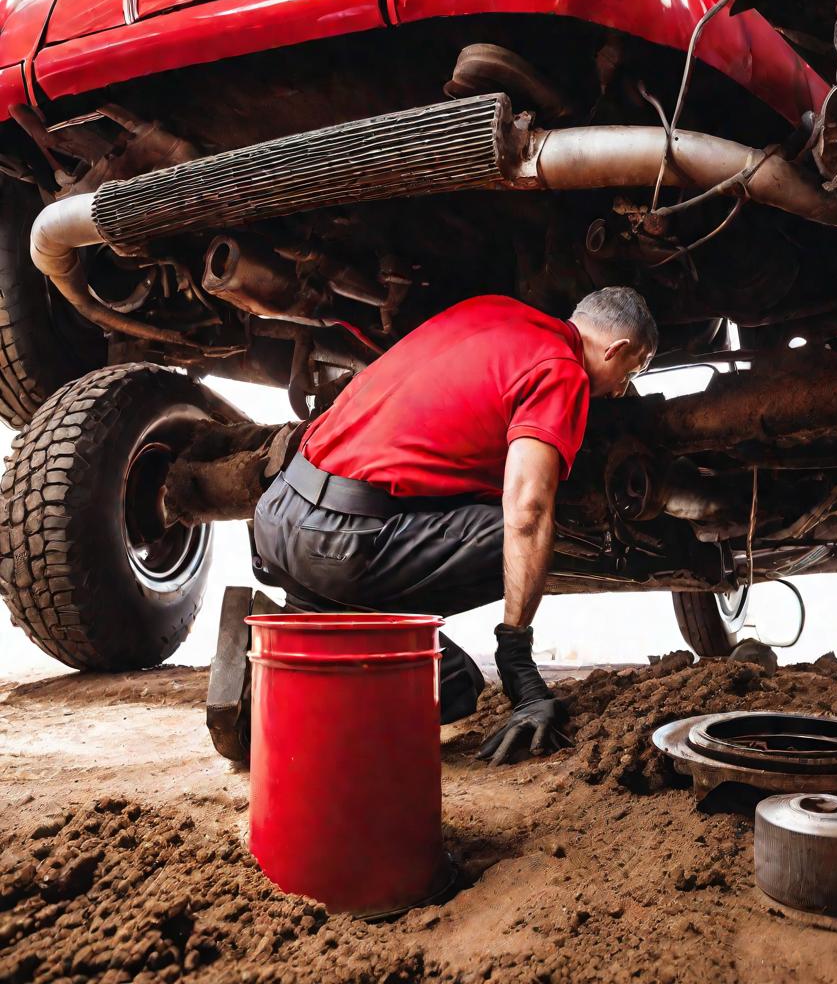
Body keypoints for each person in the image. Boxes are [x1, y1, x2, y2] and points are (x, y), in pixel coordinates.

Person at [254, 287, 657, 764]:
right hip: (335, 542)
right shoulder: (562, 371)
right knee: (459, 670)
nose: (620, 390)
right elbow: (527, 509)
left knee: (451, 660)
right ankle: (305, 711)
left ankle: (296, 633)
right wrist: (517, 657)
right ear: (614, 350)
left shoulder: (495, 310)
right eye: (629, 372)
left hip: (276, 514)